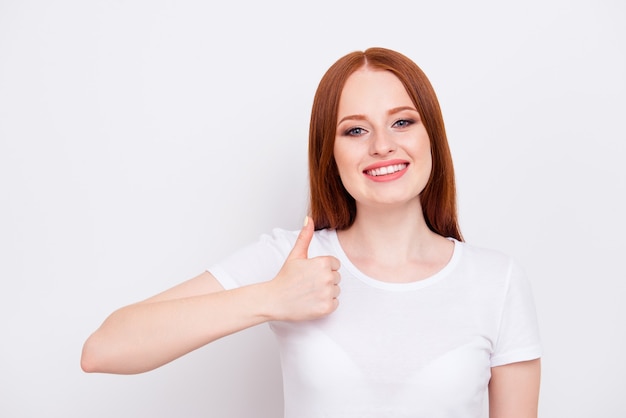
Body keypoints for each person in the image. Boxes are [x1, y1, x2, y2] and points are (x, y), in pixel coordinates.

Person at [81, 47, 542, 417]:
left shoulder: (496, 281)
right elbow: (104, 349)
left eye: (402, 121)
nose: (382, 145)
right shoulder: (292, 263)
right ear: (331, 155)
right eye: (355, 130)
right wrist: (271, 298)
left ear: (431, 138)